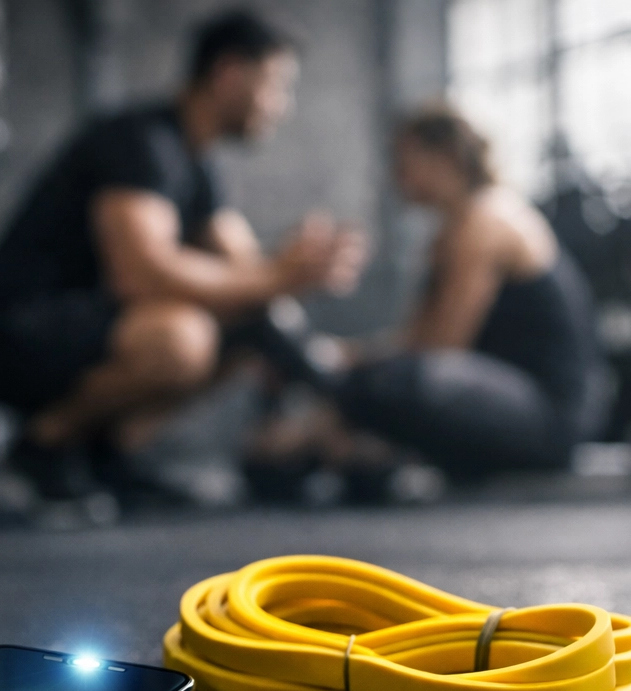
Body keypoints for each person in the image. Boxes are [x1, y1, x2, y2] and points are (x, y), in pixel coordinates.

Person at [0, 8, 367, 504]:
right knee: (180, 338)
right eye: (276, 85)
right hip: (12, 332)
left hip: (94, 327)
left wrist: (299, 297)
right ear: (230, 73)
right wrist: (279, 276)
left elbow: (248, 278)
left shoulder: (198, 165)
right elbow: (141, 274)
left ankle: (111, 454)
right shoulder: (139, 143)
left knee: (245, 324)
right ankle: (46, 440)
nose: (281, 105)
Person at [251, 103, 605, 489]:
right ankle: (340, 438)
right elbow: (414, 339)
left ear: (444, 157)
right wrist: (341, 356)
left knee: (411, 379)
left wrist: (333, 366)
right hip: (490, 393)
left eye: (405, 160)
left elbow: (440, 347)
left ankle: (326, 430)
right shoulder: (449, 232)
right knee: (384, 379)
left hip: (546, 417)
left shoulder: (486, 220)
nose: (396, 175)